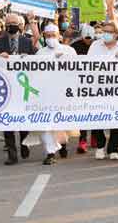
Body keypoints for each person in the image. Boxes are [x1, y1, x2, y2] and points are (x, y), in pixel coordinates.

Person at [0, 13, 37, 165]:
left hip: (23, 87)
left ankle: (24, 144)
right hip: (5, 88)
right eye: (8, 23)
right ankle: (12, 154)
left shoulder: (27, 42)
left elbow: (37, 63)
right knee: (8, 122)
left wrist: (27, 58)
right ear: (5, 25)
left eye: (14, 23)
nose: (11, 25)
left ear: (20, 26)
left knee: (23, 120)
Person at [87, 21, 118, 160]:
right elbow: (87, 66)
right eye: (104, 31)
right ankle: (100, 145)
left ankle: (113, 147)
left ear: (117, 34)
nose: (105, 34)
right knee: (96, 117)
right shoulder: (95, 46)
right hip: (98, 89)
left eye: (109, 32)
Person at [35, 24, 77, 165]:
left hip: (63, 94)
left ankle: (62, 144)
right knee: (46, 124)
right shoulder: (40, 53)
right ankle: (50, 152)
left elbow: (76, 71)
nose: (51, 38)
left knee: (61, 123)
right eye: (48, 36)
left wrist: (64, 59)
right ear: (44, 37)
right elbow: (34, 72)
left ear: (59, 35)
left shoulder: (69, 50)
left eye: (53, 35)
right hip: (45, 94)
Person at [70, 24, 95, 153]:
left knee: (96, 111)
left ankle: (95, 137)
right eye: (86, 38)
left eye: (90, 38)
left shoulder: (97, 45)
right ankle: (83, 139)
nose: (88, 41)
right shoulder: (75, 46)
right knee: (83, 112)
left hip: (96, 84)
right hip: (80, 84)